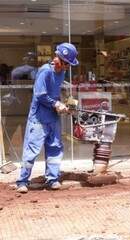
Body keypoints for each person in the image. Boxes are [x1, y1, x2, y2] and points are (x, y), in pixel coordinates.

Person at [16, 42, 79, 193]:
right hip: (38, 119)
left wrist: (66, 104)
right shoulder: (45, 72)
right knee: (32, 150)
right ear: (59, 60)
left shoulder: (61, 73)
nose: (68, 67)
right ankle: (22, 181)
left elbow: (54, 93)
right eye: (67, 64)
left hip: (52, 118)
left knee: (55, 148)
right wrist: (56, 104)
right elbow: (40, 96)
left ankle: (52, 179)